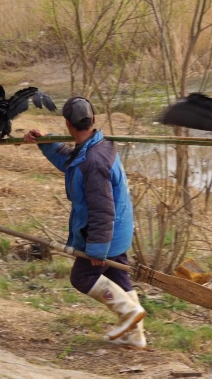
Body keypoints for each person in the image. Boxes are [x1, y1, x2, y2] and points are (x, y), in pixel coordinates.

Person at [23, 96, 146, 348]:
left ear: (68, 124)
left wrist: (97, 249)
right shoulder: (100, 146)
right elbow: (71, 162)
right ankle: (135, 336)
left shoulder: (94, 161)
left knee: (82, 276)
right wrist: (45, 141)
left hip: (106, 232)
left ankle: (128, 313)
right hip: (119, 230)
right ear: (94, 121)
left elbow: (101, 208)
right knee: (118, 276)